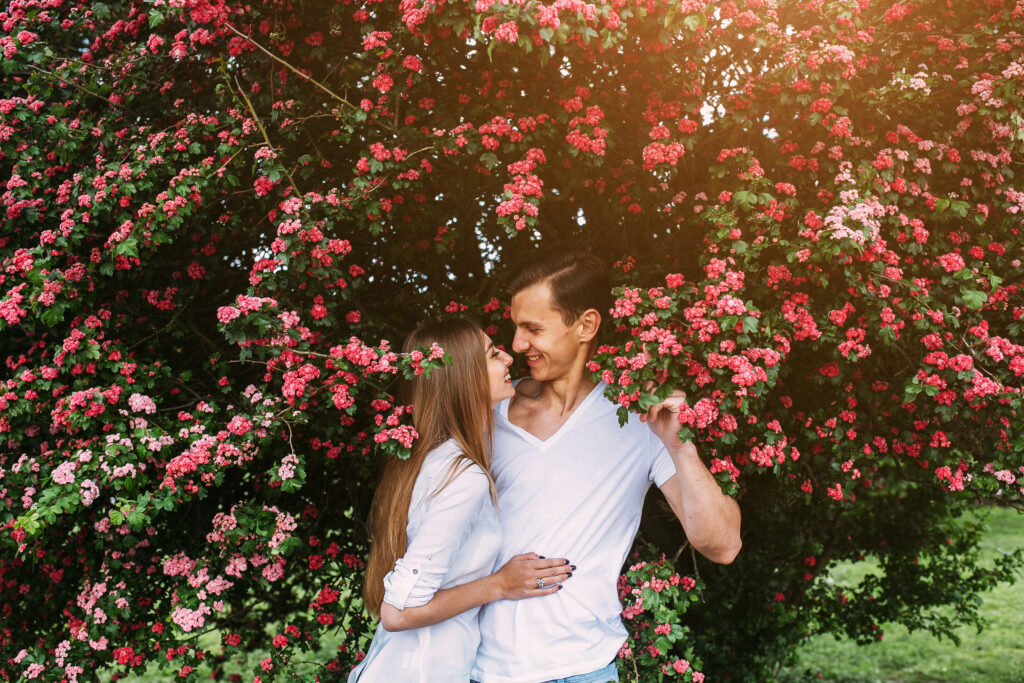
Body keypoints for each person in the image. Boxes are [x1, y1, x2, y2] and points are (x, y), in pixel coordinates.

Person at [472, 253, 742, 683]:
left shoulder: (638, 419)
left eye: (533, 329)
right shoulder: (489, 412)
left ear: (586, 326)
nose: (518, 344)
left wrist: (680, 446)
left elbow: (722, 545)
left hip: (584, 670)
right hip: (477, 667)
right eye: (517, 327)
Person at [349, 319, 575, 683]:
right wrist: (499, 585)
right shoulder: (463, 476)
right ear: (465, 377)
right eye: (491, 353)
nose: (507, 356)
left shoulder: (431, 458)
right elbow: (397, 613)